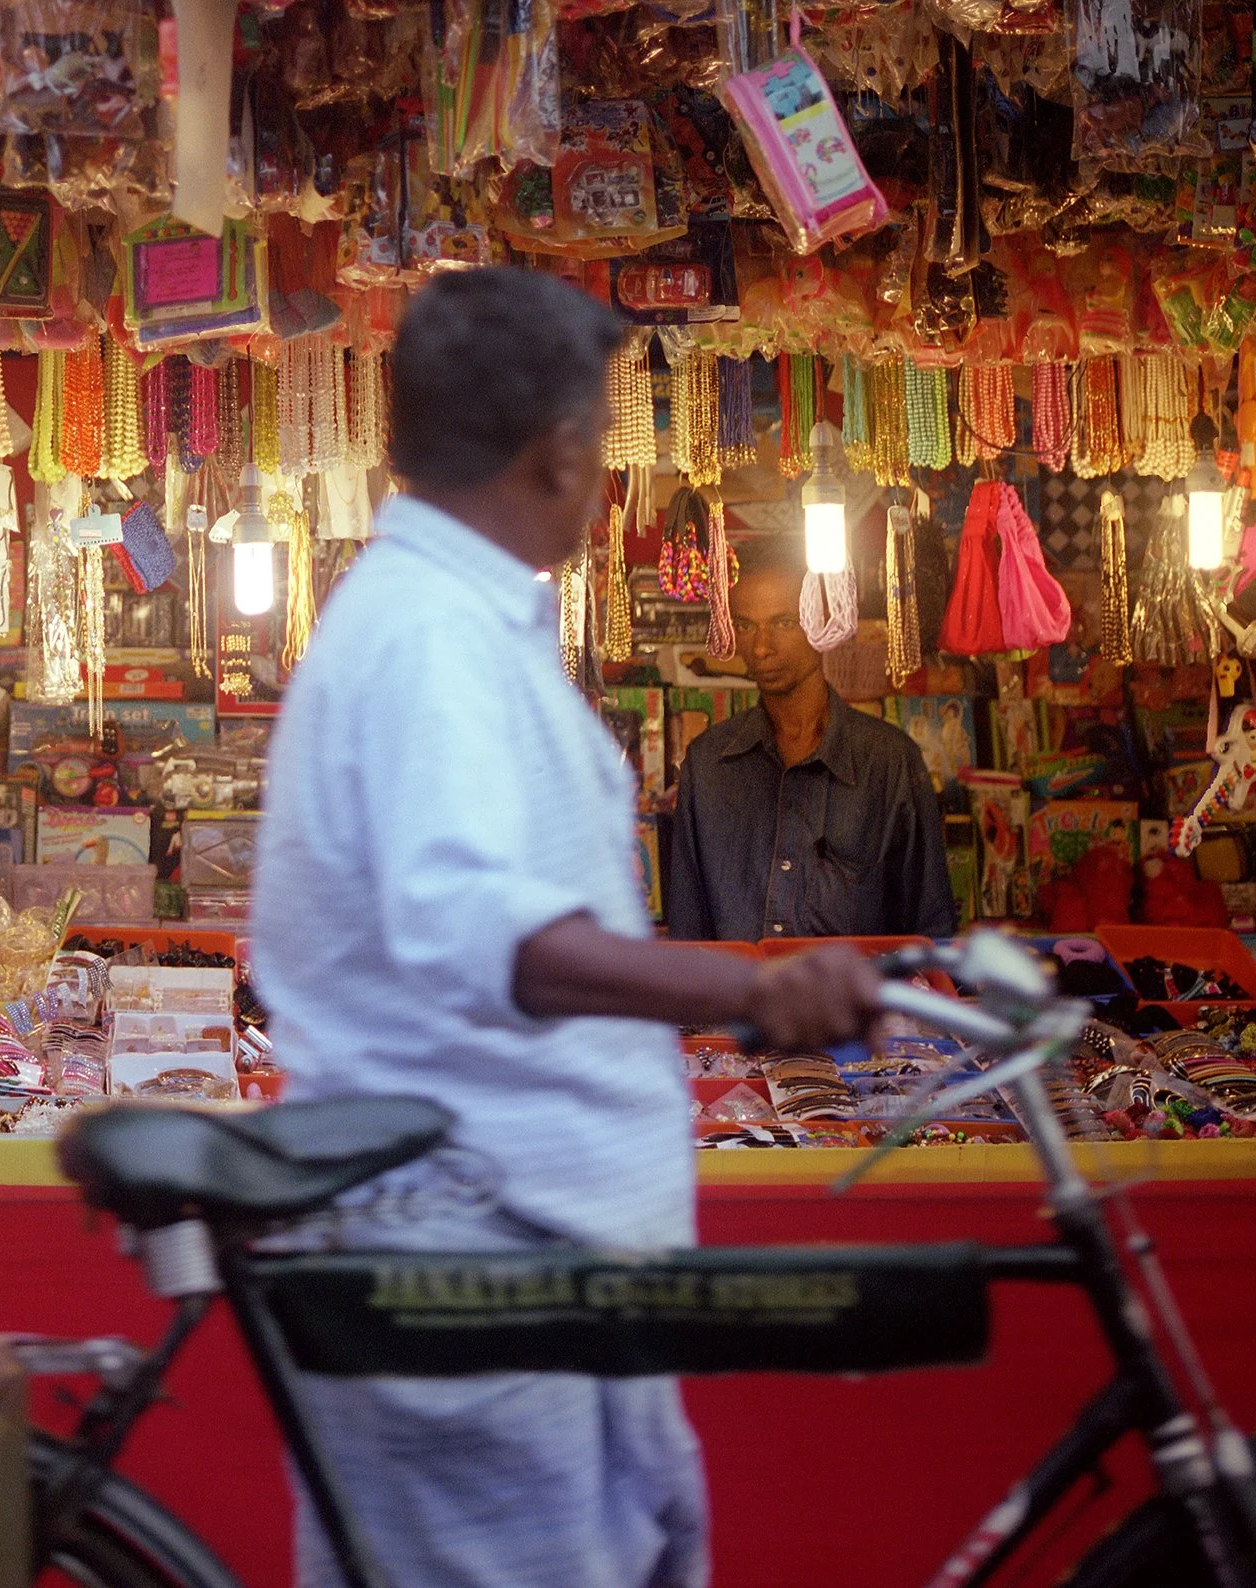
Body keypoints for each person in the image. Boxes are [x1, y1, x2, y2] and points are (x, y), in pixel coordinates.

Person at [253, 269, 882, 1588]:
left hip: (529, 1261)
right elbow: (482, 929)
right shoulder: (430, 639)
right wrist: (748, 995)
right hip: (475, 1268)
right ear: (566, 451)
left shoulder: (454, 618)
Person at [662, 534, 957, 944]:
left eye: (784, 623)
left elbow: (930, 927)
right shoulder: (709, 765)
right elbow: (688, 934)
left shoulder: (888, 762)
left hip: (849, 1008)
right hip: (741, 1005)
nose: (761, 647)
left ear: (822, 621)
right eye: (746, 626)